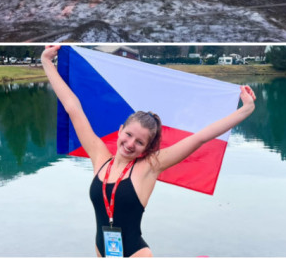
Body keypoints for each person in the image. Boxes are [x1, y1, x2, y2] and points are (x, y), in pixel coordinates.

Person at [40, 45, 256, 258]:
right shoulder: (99, 157)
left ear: (147, 148)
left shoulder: (149, 167)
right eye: (129, 135)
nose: (131, 144)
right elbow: (72, 107)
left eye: (140, 142)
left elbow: (200, 137)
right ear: (120, 129)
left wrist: (245, 110)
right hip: (101, 251)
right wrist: (47, 62)